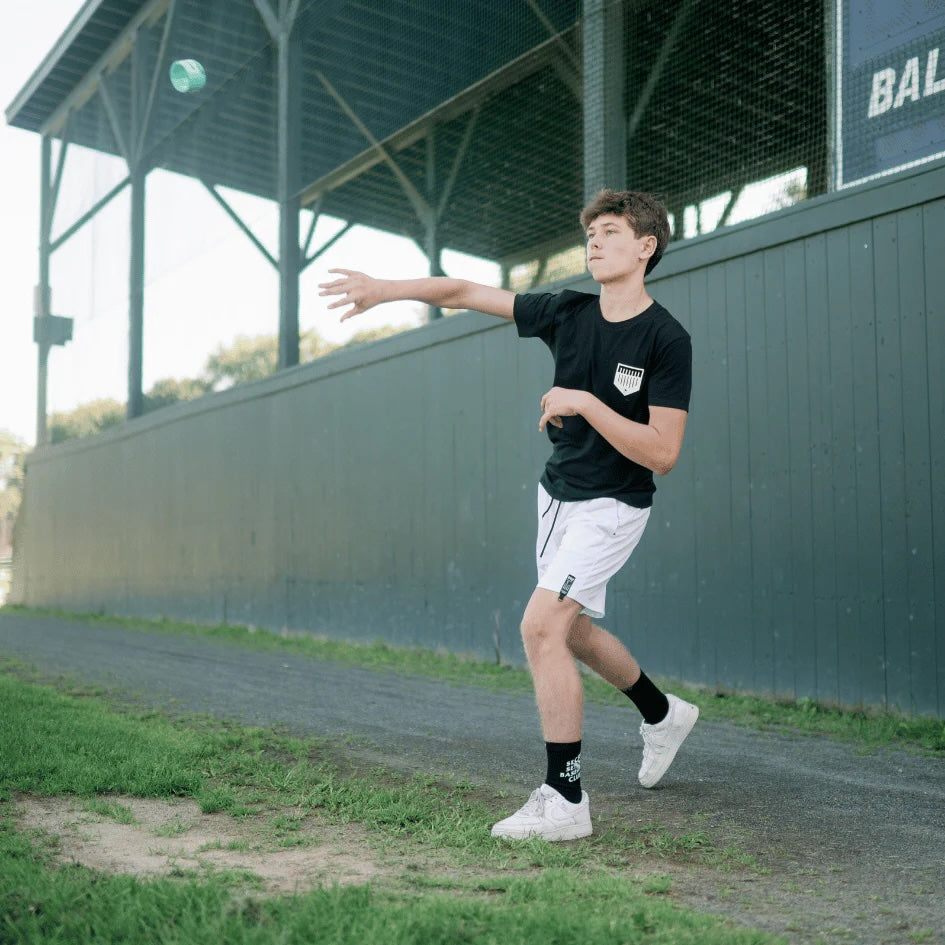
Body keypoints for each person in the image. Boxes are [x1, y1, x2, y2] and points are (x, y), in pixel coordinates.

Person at [318, 189, 698, 842]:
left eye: (609, 230)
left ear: (645, 246)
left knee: (539, 626)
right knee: (569, 631)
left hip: (613, 506)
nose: (593, 240)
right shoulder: (565, 311)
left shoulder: (666, 338)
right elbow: (464, 290)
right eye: (589, 232)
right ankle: (661, 714)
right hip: (556, 498)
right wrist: (385, 288)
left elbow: (662, 453)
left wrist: (583, 400)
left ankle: (564, 798)